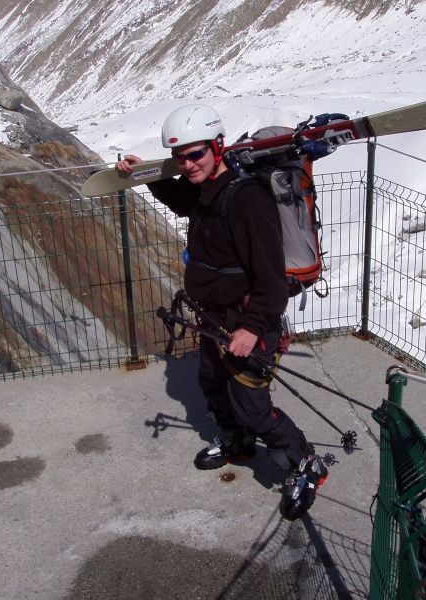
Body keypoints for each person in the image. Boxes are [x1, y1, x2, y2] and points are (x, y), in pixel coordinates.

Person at [115, 104, 327, 521]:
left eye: (195, 154)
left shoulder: (248, 200)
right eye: (179, 157)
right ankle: (237, 442)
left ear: (217, 147)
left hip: (248, 320)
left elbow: (269, 279)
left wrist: (251, 329)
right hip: (213, 317)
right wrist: (143, 173)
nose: (187, 164)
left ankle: (305, 463)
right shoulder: (207, 191)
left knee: (250, 401)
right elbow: (183, 200)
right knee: (212, 383)